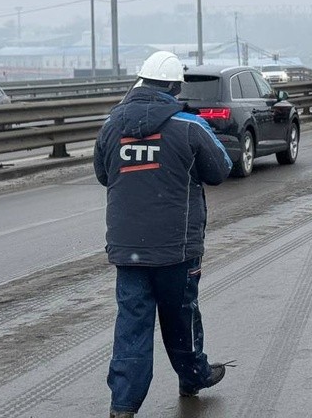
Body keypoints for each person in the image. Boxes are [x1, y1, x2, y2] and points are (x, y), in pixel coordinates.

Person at [94, 51, 233, 418]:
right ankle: (193, 378)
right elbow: (221, 169)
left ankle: (123, 405)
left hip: (128, 249)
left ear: (140, 82)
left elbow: (103, 174)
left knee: (131, 324)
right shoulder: (189, 125)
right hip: (177, 246)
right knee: (181, 315)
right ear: (174, 87)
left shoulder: (111, 124)